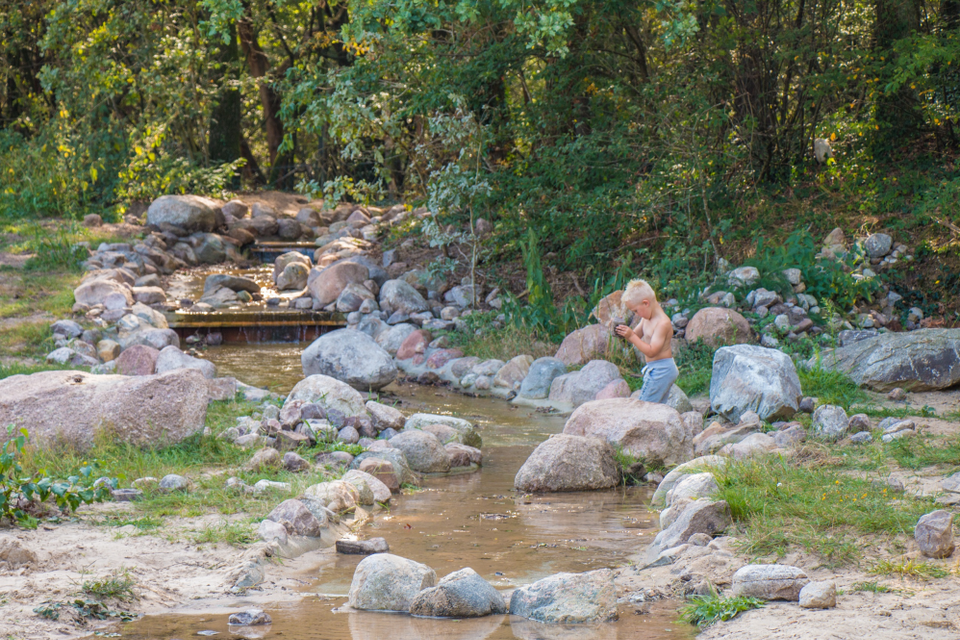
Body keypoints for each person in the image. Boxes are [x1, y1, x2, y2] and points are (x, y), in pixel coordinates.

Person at [613, 279, 678, 404]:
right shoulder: (646, 318)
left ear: (646, 303)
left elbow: (652, 351)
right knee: (657, 407)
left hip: (662, 370)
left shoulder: (662, 323)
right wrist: (620, 329)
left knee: (644, 406)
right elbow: (635, 335)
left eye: (636, 311)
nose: (636, 314)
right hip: (656, 369)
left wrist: (631, 336)